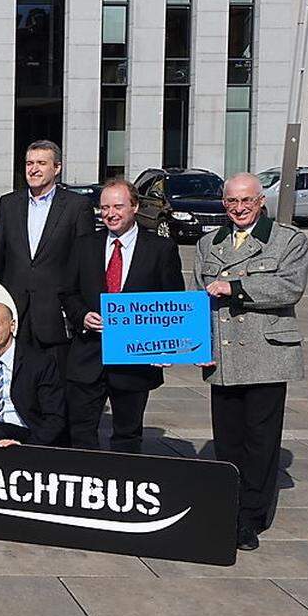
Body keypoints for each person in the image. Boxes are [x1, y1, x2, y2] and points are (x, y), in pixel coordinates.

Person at [194, 172, 308, 552]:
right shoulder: (209, 243)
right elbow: (198, 301)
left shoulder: (288, 240)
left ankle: (250, 518)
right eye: (231, 202)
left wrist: (236, 287)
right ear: (223, 204)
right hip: (223, 358)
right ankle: (227, 510)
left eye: (247, 201)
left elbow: (289, 287)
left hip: (266, 356)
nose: (239, 209)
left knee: (260, 443)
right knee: (227, 442)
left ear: (261, 201)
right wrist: (194, 345)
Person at [60, 179, 185, 453]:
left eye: (118, 206)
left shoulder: (160, 249)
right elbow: (68, 292)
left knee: (127, 436)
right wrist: (82, 316)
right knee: (80, 433)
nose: (110, 213)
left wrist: (167, 346)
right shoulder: (84, 245)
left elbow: (172, 302)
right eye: (104, 207)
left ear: (135, 207)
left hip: (134, 361)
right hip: (88, 356)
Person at [0, 140, 94, 374]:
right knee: (15, 382)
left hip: (55, 315)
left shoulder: (77, 206)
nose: (33, 169)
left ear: (56, 168)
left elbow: (85, 264)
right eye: (29, 163)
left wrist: (79, 309)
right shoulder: (8, 204)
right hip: (15, 313)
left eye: (41, 163)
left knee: (54, 388)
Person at [0, 303, 64, 447]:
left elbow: (55, 418)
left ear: (12, 325)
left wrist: (25, 445)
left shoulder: (39, 362)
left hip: (27, 436)